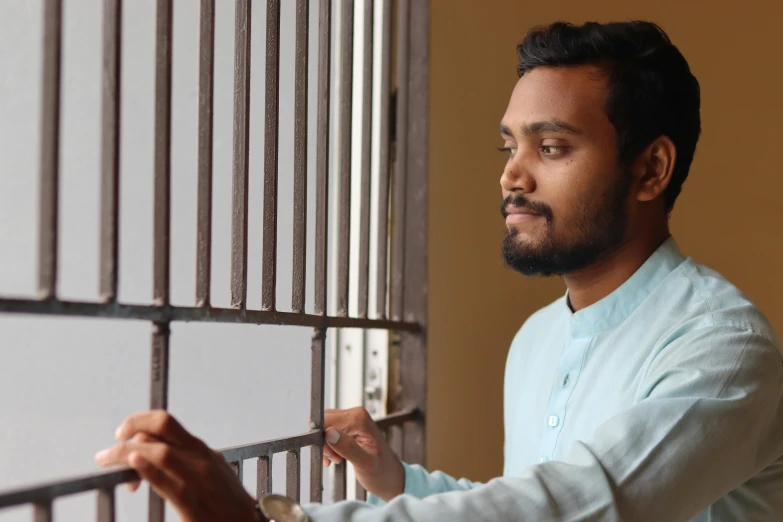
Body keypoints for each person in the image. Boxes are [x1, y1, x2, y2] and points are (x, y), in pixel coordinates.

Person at [95, 20, 783, 521]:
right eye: (508, 145)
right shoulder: (540, 338)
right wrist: (397, 480)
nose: (511, 174)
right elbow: (524, 500)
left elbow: (576, 507)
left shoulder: (722, 352)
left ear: (649, 168)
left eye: (551, 146)